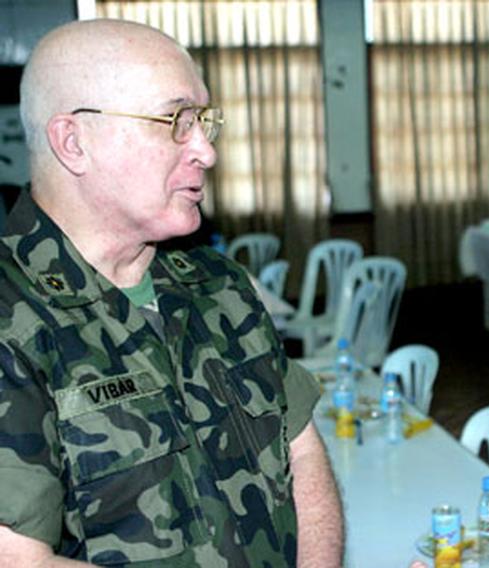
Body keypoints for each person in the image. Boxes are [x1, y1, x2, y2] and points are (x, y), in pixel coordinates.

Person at [0, 19, 343, 566]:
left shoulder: (220, 286)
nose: (205, 150)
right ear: (73, 142)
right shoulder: (12, 318)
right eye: (175, 120)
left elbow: (302, 454)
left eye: (203, 121)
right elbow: (18, 559)